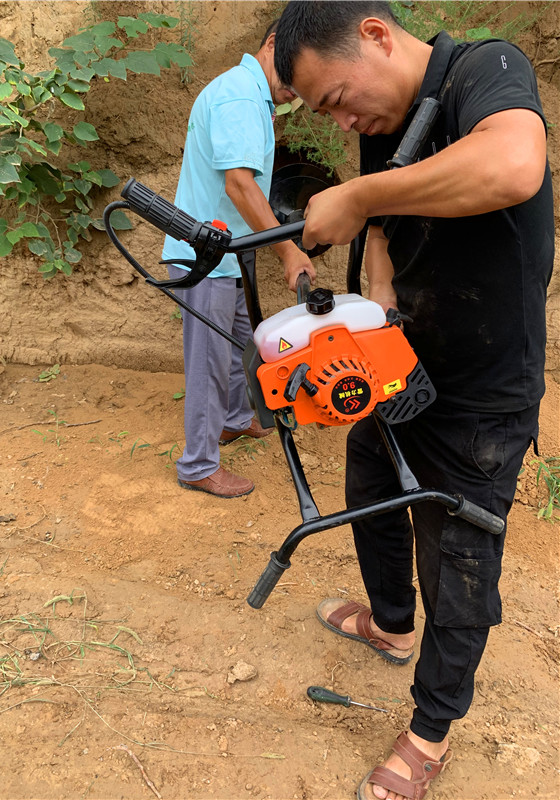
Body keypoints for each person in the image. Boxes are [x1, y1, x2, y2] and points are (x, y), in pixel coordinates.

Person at [274, 3, 553, 799]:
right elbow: (391, 233)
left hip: (484, 391)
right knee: (370, 490)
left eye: (334, 98)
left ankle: (430, 729)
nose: (342, 117)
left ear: (374, 33)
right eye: (327, 112)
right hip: (405, 365)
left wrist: (359, 196)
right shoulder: (384, 127)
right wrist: (380, 309)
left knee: (459, 557)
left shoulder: (482, 71)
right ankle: (393, 624)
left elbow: (511, 166)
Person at [162, 20, 315, 499]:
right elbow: (240, 185)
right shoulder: (241, 97)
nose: (298, 85)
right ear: (272, 45)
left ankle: (233, 418)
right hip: (203, 257)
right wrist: (289, 251)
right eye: (292, 69)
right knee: (209, 361)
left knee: (244, 344)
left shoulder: (250, 98)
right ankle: (198, 464)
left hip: (226, 255)